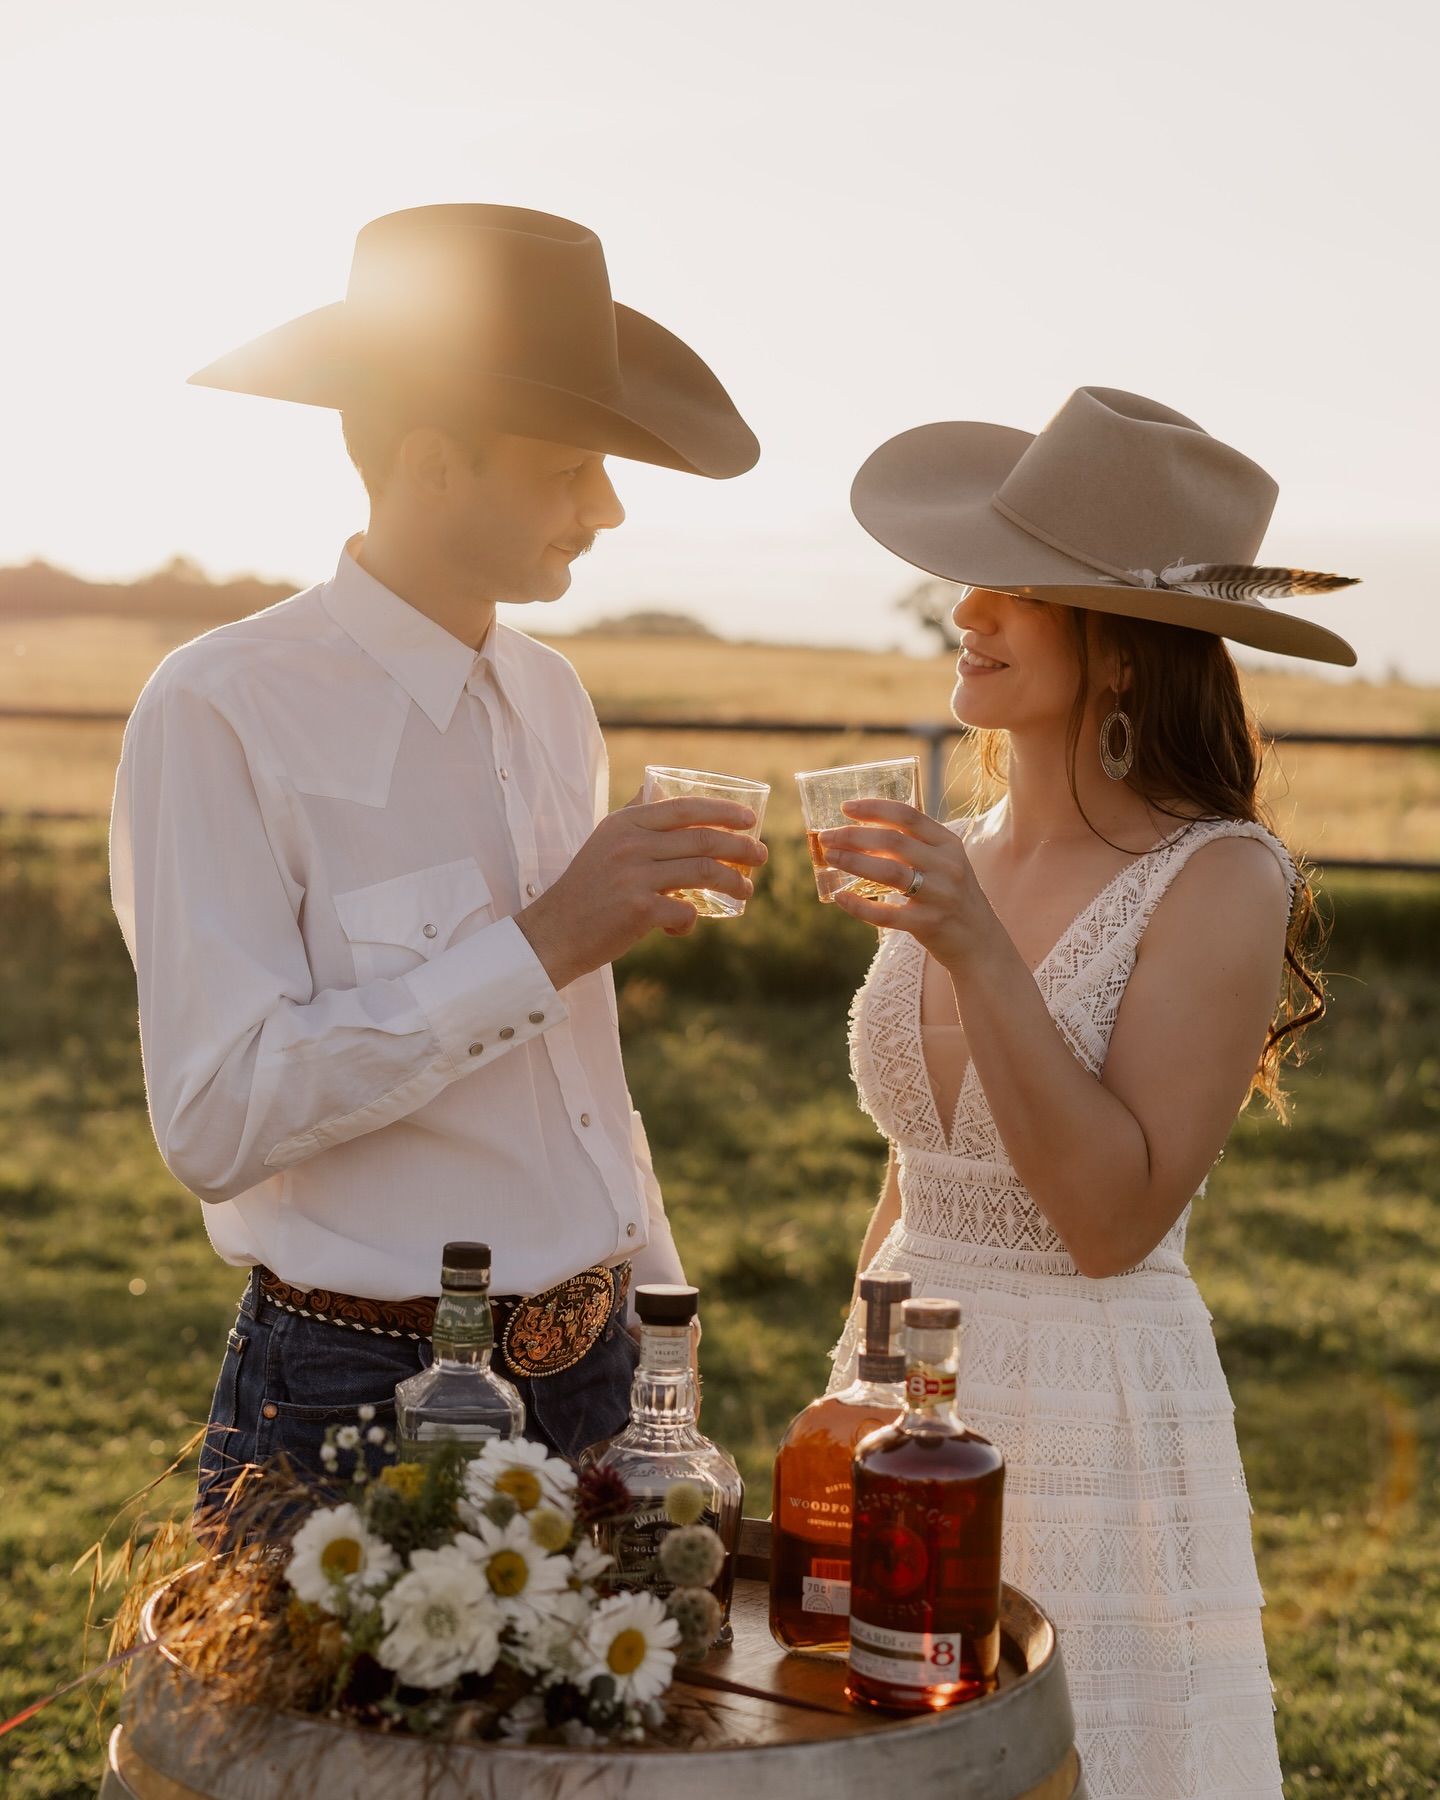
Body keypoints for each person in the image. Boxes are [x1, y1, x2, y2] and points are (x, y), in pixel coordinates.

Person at [109, 205, 764, 1511]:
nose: (610, 508)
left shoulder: (551, 696)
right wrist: (543, 942)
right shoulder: (223, 707)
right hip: (362, 1403)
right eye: (569, 467)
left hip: (602, 1376)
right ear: (430, 462)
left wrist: (661, 1345)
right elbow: (216, 1117)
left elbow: (575, 1071)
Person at [820, 387, 1358, 1800]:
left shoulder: (1221, 876)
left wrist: (974, 947)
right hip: (893, 1394)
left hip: (1087, 1412)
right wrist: (839, 1402)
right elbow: (909, 1178)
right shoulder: (956, 847)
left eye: (1020, 594)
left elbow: (1108, 1219)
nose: (965, 615)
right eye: (975, 583)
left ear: (1122, 652)